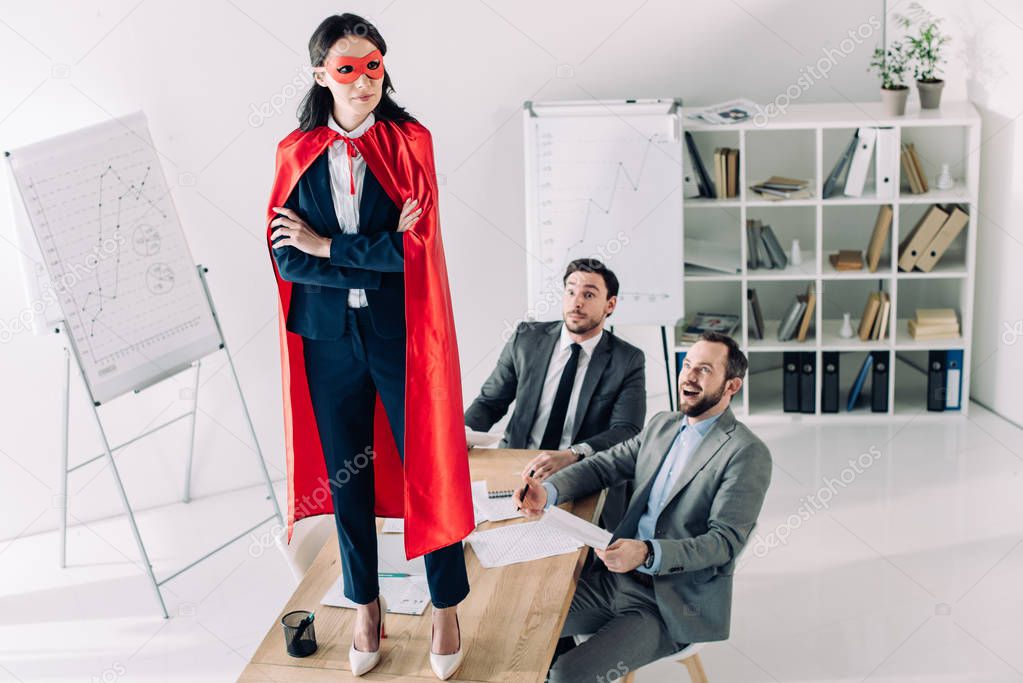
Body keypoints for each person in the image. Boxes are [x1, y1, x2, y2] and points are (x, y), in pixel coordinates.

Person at [265, 14, 472, 680]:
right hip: (327, 341)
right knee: (347, 476)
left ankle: (444, 605)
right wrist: (368, 257)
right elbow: (284, 259)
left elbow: (417, 253)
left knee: (426, 467)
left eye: (372, 65)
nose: (362, 81)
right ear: (321, 75)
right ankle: (366, 604)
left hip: (400, 336)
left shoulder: (411, 143)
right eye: (346, 69)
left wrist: (324, 245)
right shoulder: (294, 151)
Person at [515, 332, 772, 683]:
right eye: (687, 365)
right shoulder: (662, 425)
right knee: (520, 625)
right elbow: (604, 466)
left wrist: (648, 553)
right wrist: (549, 492)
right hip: (614, 579)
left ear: (731, 386)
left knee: (565, 675)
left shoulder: (745, 453)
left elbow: (723, 542)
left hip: (668, 604)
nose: (689, 376)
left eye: (705, 370)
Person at [464, 259, 645, 527]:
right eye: (571, 291)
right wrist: (462, 434)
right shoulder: (526, 339)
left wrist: (574, 453)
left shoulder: (627, 359)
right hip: (518, 465)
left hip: (579, 473)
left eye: (589, 294)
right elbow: (490, 402)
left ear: (611, 305)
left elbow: (626, 430)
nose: (577, 302)